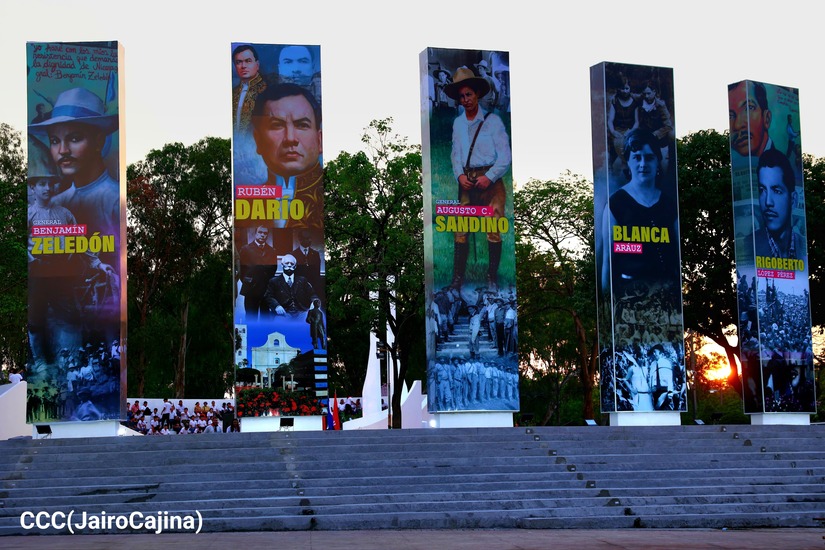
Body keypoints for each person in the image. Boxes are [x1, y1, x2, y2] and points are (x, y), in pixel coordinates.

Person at [445, 66, 512, 291]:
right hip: (467, 181)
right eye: (461, 96)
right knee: (461, 228)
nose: (465, 100)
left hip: (490, 182)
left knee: (493, 227)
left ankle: (491, 278)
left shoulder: (493, 122)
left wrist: (489, 177)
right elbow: (455, 153)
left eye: (469, 94)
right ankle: (457, 280)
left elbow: (505, 156)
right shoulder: (458, 123)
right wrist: (459, 175)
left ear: (478, 94)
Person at [600, 129, 680, 292]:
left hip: (667, 295)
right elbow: (608, 261)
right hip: (630, 296)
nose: (643, 164)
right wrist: (606, 300)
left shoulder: (669, 204)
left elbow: (678, 255)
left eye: (649, 157)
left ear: (657, 161)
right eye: (637, 158)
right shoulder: (615, 205)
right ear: (628, 162)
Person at [252, 84, 323, 228]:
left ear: (319, 140)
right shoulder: (245, 204)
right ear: (258, 141)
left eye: (302, 125)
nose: (290, 138)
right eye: (277, 125)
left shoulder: (332, 199)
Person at [747, 148, 806, 264]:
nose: (768, 202)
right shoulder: (748, 246)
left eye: (777, 191)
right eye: (762, 190)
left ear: (793, 200)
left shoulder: (804, 248)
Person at [238, 225, 278, 322]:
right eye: (260, 232)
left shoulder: (272, 251)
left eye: (265, 233)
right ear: (255, 234)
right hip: (251, 290)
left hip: (266, 291)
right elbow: (241, 270)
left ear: (267, 235)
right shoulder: (245, 249)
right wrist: (249, 282)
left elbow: (273, 269)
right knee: (251, 318)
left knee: (266, 319)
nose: (262, 235)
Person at [728, 80, 773, 158]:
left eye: (749, 108)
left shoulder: (782, 163)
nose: (737, 125)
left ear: (767, 118)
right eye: (730, 116)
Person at [232, 44, 267, 134]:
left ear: (257, 64)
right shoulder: (233, 93)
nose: (243, 66)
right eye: (238, 62)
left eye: (248, 61)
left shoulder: (268, 90)